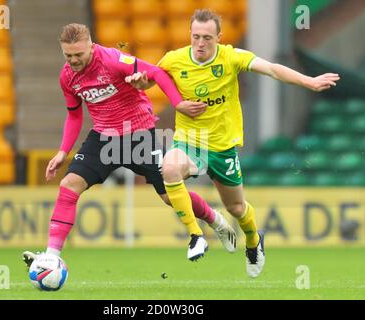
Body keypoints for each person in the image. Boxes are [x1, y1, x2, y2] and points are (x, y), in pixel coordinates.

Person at [126, 9, 340, 278]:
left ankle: (253, 241)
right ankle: (196, 235)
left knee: (237, 208)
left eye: (207, 37)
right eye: (195, 37)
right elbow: (151, 81)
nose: (200, 43)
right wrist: (139, 83)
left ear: (219, 37)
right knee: (168, 169)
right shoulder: (174, 59)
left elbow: (272, 69)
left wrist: (308, 80)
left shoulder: (231, 57)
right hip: (190, 141)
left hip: (223, 146)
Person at [22, 23, 237, 268]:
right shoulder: (67, 76)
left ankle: (216, 220)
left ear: (91, 47)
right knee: (68, 185)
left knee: (170, 196)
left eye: (78, 55)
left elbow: (157, 73)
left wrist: (177, 103)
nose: (73, 60)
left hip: (138, 134)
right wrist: (63, 152)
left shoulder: (113, 60)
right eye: (68, 55)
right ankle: (52, 256)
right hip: (103, 137)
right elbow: (74, 115)